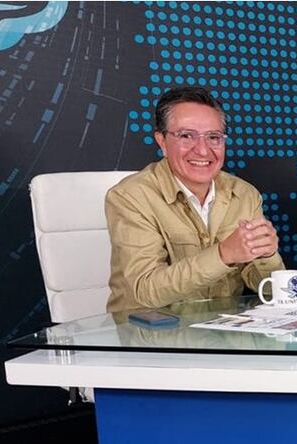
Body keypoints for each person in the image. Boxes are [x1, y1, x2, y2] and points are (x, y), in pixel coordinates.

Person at [106, 86, 284, 313]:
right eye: (186, 136)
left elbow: (268, 291)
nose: (202, 150)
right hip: (150, 338)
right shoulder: (129, 197)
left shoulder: (245, 194)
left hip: (224, 335)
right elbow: (146, 289)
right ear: (161, 141)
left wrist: (268, 255)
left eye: (213, 137)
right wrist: (223, 255)